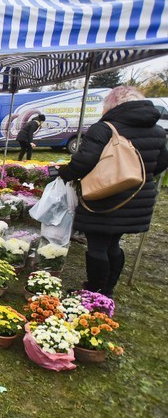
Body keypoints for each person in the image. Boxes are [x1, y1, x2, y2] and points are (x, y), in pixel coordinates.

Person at [57, 86, 168, 298]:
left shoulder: (106, 128)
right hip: (136, 198)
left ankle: (94, 292)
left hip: (105, 197)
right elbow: (161, 162)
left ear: (112, 104)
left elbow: (84, 162)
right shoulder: (157, 130)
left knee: (97, 245)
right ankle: (107, 290)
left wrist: (64, 173)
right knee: (113, 244)